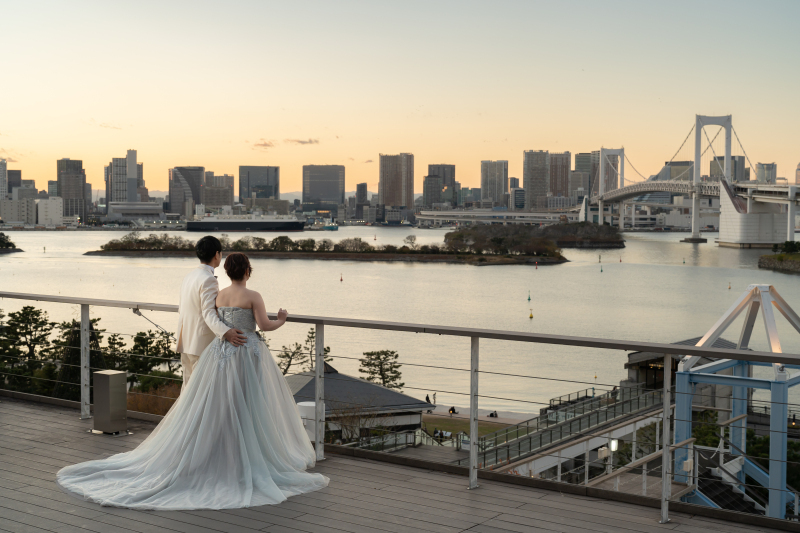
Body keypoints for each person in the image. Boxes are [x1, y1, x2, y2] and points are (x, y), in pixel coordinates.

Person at [56, 251, 329, 510]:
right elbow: (264, 325)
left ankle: (218, 450)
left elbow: (212, 318)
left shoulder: (220, 294)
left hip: (221, 353)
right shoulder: (253, 295)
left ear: (227, 271)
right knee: (250, 403)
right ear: (247, 271)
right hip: (247, 353)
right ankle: (243, 454)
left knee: (220, 403)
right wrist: (281, 319)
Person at [175, 236, 247, 388]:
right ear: (217, 255)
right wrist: (226, 332)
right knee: (200, 392)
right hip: (200, 344)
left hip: (186, 341)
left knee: (188, 391)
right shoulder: (209, 279)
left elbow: (182, 308)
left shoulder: (189, 276)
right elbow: (208, 313)